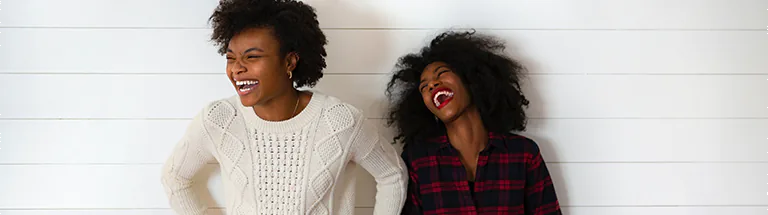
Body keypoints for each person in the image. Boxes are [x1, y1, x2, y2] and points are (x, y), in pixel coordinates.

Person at [161, 0, 407, 214]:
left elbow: (392, 175)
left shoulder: (340, 121)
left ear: (289, 61)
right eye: (230, 58)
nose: (236, 69)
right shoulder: (219, 119)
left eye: (251, 57)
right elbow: (175, 177)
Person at [386, 30, 562, 215]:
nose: (432, 85)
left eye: (442, 73)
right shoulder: (417, 161)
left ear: (471, 78)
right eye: (424, 86)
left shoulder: (523, 154)